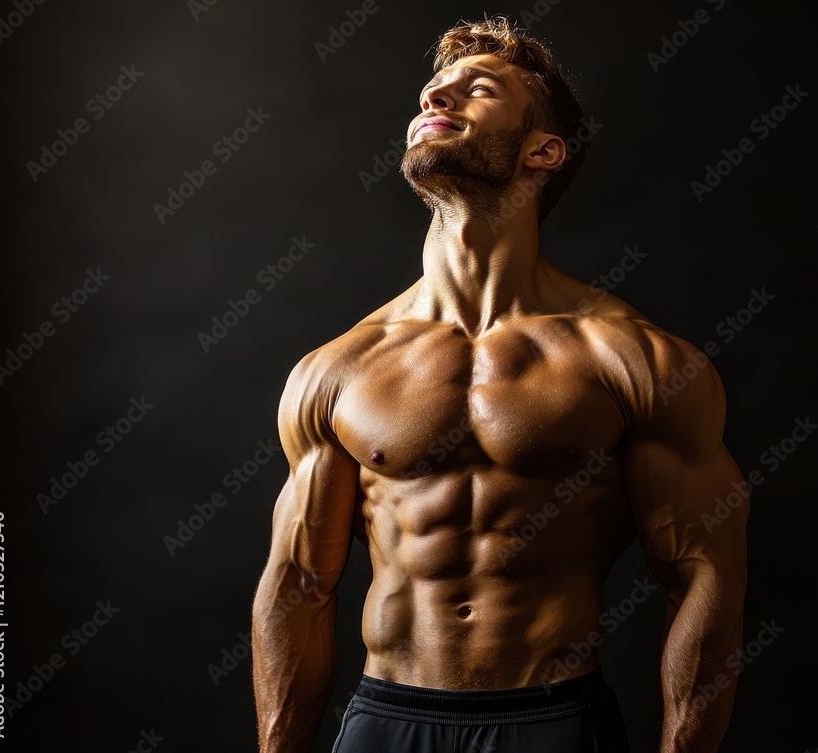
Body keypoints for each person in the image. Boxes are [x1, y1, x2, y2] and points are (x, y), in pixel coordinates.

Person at [252, 16, 748, 753]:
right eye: (432, 91)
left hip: (550, 720)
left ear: (542, 150)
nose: (436, 97)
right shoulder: (338, 369)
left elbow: (705, 579)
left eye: (476, 89)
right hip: (385, 721)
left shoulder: (631, 358)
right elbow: (297, 585)